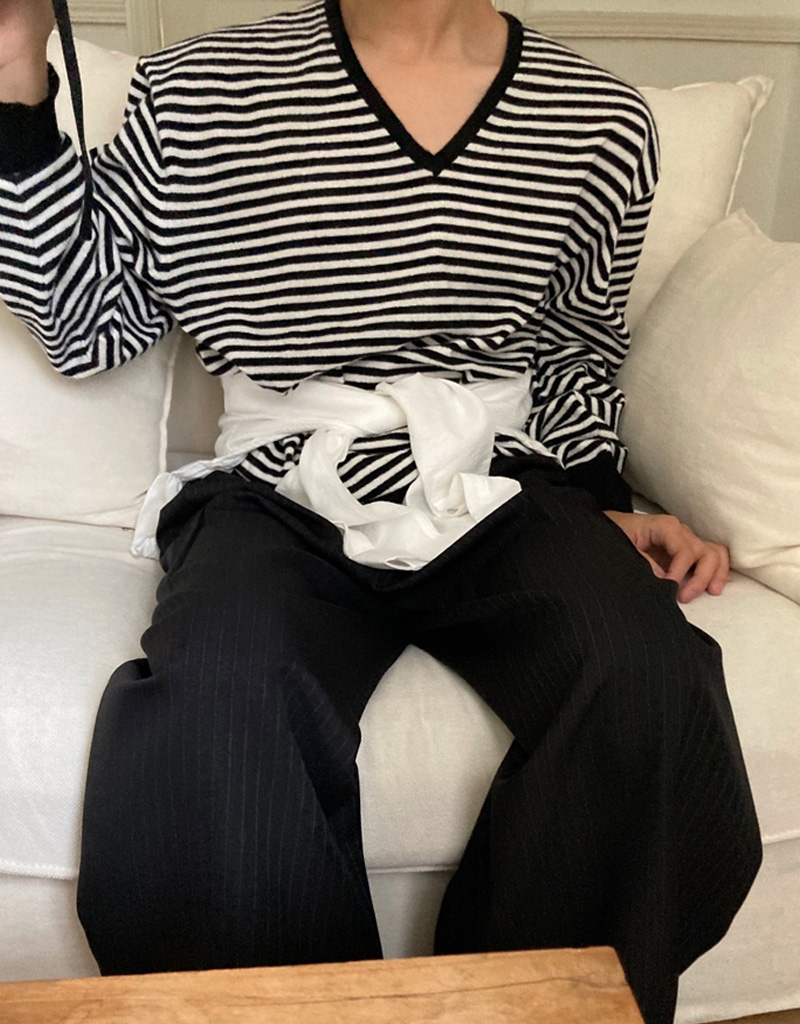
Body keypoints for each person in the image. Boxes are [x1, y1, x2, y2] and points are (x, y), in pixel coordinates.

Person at [0, 1, 762, 1022]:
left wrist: (599, 500)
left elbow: (576, 346)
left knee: (647, 679)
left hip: (498, 482)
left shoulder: (596, 116)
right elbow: (85, 329)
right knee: (220, 697)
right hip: (276, 486)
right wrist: (14, 69)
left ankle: (536, 1010)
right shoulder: (193, 92)